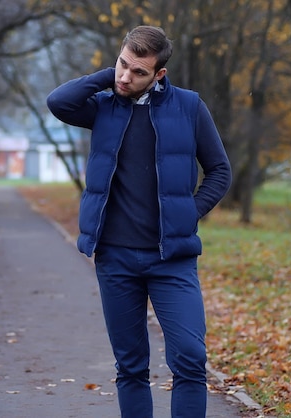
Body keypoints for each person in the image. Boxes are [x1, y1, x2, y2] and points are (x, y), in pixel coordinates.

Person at [46, 26, 232, 418]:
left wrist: (189, 213)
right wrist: (111, 75)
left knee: (190, 358)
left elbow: (219, 171)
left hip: (172, 260)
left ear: (160, 74)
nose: (126, 77)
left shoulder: (189, 107)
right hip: (116, 260)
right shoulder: (104, 105)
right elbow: (58, 102)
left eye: (138, 71)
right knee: (130, 367)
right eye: (122, 64)